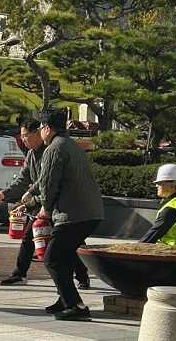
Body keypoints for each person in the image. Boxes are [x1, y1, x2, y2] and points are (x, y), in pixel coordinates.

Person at [0, 119, 90, 289]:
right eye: (21, 137)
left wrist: (30, 195)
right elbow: (23, 179)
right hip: (42, 205)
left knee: (68, 244)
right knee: (28, 237)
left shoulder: (51, 151)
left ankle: (82, 275)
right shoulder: (31, 155)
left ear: (38, 133)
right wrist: (4, 194)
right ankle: (19, 273)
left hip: (57, 206)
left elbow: (45, 182)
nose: (23, 140)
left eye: (26, 136)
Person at [36, 109, 104, 321]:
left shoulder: (54, 149)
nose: (40, 133)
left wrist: (45, 208)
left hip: (72, 214)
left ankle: (76, 306)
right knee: (63, 257)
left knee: (53, 259)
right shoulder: (72, 145)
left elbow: (48, 184)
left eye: (40, 128)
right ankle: (64, 299)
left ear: (47, 128)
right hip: (91, 212)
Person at [140, 164, 176, 245]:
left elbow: (150, 237)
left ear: (171, 186)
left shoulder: (171, 209)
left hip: (170, 253)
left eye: (159, 183)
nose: (156, 186)